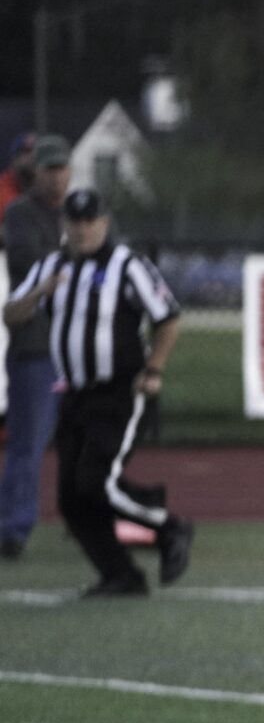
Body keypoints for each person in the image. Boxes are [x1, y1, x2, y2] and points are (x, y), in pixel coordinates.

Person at [0, 189, 192, 597]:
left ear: (104, 223)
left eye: (90, 221)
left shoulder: (127, 265)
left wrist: (154, 369)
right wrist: (40, 293)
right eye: (75, 221)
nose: (82, 228)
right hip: (73, 394)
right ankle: (121, 574)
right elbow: (10, 314)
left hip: (120, 390)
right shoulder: (51, 266)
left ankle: (169, 528)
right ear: (64, 226)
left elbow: (168, 318)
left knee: (96, 482)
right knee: (71, 500)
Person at [0, 134, 72, 558]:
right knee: (28, 443)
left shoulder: (81, 211)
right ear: (36, 172)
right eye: (49, 169)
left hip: (79, 346)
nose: (57, 178)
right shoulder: (20, 213)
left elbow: (109, 256)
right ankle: (13, 527)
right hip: (36, 345)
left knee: (91, 440)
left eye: (63, 169)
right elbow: (33, 265)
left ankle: (92, 522)